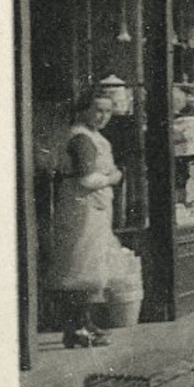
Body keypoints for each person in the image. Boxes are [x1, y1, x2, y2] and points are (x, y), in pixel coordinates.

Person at [47, 89, 128, 348]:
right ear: (84, 110)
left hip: (94, 208)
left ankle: (85, 323)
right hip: (82, 209)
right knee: (80, 266)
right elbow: (87, 178)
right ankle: (76, 327)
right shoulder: (81, 138)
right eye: (98, 110)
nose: (103, 116)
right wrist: (112, 178)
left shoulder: (94, 137)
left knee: (90, 266)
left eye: (107, 111)